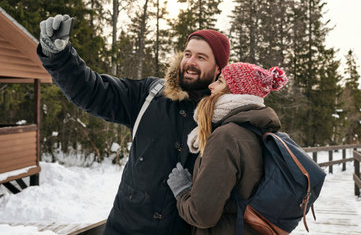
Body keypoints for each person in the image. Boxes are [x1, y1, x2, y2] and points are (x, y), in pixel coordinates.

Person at [37, 14, 230, 235]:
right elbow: (94, 91)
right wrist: (60, 56)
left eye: (201, 57)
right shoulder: (151, 95)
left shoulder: (223, 117)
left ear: (218, 69)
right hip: (126, 227)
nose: (190, 62)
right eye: (188, 54)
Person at [167, 62, 288, 234]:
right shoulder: (259, 131)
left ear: (236, 92)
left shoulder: (226, 137)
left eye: (221, 81)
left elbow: (202, 215)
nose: (211, 85)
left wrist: (182, 191)